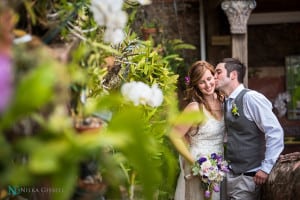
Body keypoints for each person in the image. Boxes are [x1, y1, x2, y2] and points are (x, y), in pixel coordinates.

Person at [214, 58, 284, 200]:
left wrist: (266, 168)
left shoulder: (251, 98)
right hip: (230, 175)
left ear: (233, 75)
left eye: (218, 72)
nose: (214, 76)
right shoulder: (227, 102)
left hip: (249, 176)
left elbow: (275, 132)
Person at [169, 60, 225, 200]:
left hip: (220, 165)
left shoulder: (224, 100)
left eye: (209, 79)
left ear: (214, 76)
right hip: (198, 165)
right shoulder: (195, 108)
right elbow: (174, 135)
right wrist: (195, 164)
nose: (207, 85)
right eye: (201, 82)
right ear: (196, 85)